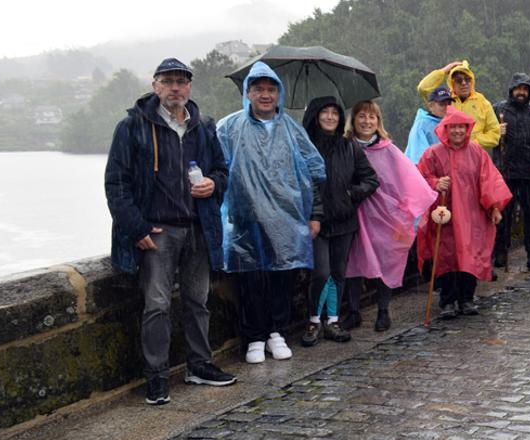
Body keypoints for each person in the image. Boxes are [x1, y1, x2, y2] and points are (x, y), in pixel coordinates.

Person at [105, 58, 235, 405]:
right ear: (155, 85)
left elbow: (223, 171)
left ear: (189, 87)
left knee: (198, 301)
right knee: (157, 305)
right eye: (168, 81)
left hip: (197, 227)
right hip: (157, 231)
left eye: (181, 81)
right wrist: (136, 228)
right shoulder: (132, 127)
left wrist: (213, 184)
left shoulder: (204, 126)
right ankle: (157, 377)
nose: (175, 88)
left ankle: (200, 365)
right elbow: (116, 185)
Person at [216, 61, 326, 364]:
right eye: (258, 89)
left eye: (270, 89)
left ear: (279, 93)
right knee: (250, 279)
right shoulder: (229, 128)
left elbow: (312, 173)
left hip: (286, 218)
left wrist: (314, 214)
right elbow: (217, 172)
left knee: (283, 277)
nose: (265, 95)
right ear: (248, 93)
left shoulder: (291, 128)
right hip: (246, 220)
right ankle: (254, 336)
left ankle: (276, 331)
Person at [345, 100, 440, 331]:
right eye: (362, 116)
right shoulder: (344, 147)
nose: (367, 121)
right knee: (352, 263)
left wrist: (405, 213)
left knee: (385, 261)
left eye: (372, 117)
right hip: (352, 213)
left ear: (378, 122)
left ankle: (383, 310)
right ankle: (353, 311)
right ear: (353, 120)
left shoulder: (387, 149)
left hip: (383, 217)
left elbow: (408, 180)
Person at [416, 107, 512, 318]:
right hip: (446, 217)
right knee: (447, 257)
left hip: (473, 215)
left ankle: (467, 298)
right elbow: (419, 178)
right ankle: (448, 300)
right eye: (454, 127)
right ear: (445, 128)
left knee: (471, 255)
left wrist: (494, 207)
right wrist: (435, 182)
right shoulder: (432, 153)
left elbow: (489, 181)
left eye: (462, 126)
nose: (458, 131)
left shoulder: (477, 152)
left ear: (467, 128)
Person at [300, 96, 379, 342]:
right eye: (325, 112)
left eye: (335, 112)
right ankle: (314, 320)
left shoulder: (349, 147)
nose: (331, 117)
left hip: (344, 221)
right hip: (316, 222)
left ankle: (332, 321)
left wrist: (350, 194)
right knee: (320, 272)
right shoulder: (304, 147)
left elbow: (370, 179)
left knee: (337, 272)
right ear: (315, 115)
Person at [492, 73, 530, 272]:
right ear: (512, 90)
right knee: (503, 215)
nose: (521, 92)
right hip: (505, 170)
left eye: (525, 89)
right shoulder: (498, 109)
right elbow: (487, 137)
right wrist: (496, 132)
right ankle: (500, 251)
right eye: (518, 89)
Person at [417, 60, 501, 149]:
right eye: (458, 80)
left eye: (467, 79)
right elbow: (423, 88)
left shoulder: (483, 103)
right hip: (448, 155)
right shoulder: (445, 100)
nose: (464, 83)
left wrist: (472, 143)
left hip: (473, 157)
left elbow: (495, 134)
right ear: (451, 83)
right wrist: (444, 71)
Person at [406, 86, 454, 164]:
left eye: (449, 104)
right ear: (430, 106)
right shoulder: (422, 124)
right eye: (442, 104)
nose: (446, 107)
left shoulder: (450, 123)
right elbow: (419, 156)